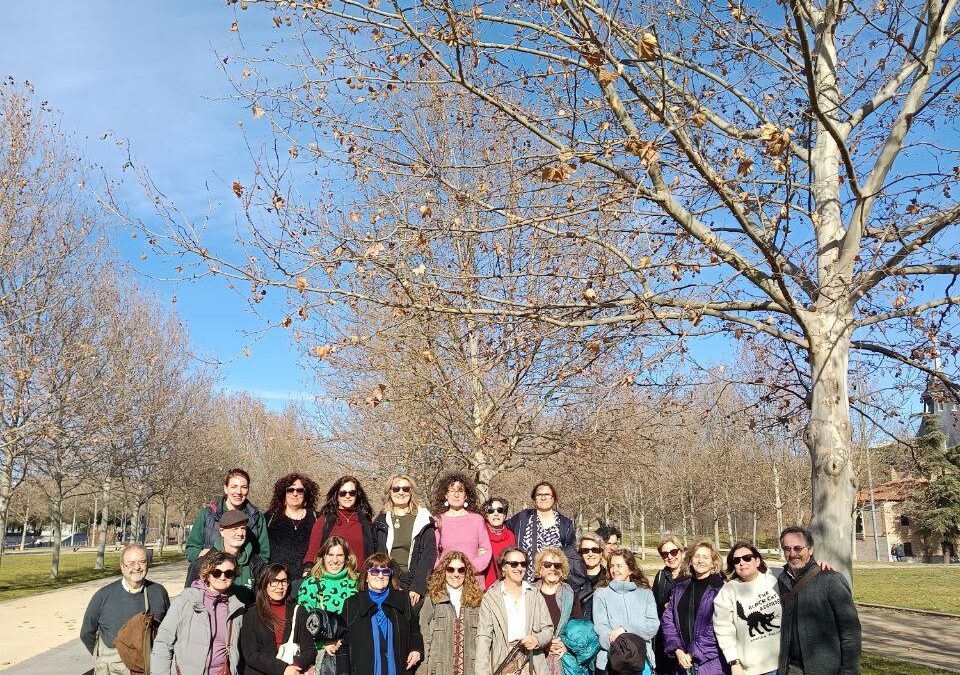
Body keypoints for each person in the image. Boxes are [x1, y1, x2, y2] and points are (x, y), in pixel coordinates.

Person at [776, 526, 861, 675]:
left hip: (825, 669)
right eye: (787, 549)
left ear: (810, 550)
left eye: (798, 548)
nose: (792, 554)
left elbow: (851, 632)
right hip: (791, 669)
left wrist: (849, 671)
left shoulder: (831, 580)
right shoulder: (782, 581)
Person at [81, 544, 171, 675]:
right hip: (114, 669)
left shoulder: (158, 592)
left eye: (142, 562)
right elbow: (86, 633)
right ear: (122, 567)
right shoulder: (103, 596)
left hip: (149, 667)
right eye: (131, 563)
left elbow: (168, 630)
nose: (137, 567)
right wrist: (104, 659)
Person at [151, 550, 245, 675]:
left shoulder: (237, 607)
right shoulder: (186, 601)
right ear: (207, 573)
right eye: (217, 572)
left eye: (229, 573)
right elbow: (163, 642)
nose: (223, 577)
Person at [340, 552, 423, 674]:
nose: (380, 576)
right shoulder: (351, 604)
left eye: (385, 572)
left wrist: (416, 649)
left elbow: (414, 630)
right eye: (374, 571)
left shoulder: (403, 600)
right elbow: (343, 645)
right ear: (367, 577)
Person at [475, 547, 553, 675]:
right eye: (514, 564)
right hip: (503, 662)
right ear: (503, 567)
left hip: (532, 663)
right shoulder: (491, 598)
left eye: (523, 564)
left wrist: (537, 640)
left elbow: (548, 629)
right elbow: (483, 638)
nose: (519, 568)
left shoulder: (534, 594)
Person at [713, 542, 781, 675]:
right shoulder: (728, 590)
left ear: (757, 561)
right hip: (753, 669)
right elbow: (723, 628)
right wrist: (734, 662)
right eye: (737, 561)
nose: (742, 563)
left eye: (747, 558)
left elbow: (801, 569)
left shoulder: (775, 579)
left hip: (784, 663)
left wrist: (819, 564)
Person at [661, 539, 727, 675]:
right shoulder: (680, 588)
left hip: (710, 664)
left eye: (705, 557)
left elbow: (717, 627)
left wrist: (692, 654)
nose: (700, 561)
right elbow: (668, 620)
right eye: (697, 556)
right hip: (681, 662)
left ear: (713, 562)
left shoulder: (720, 589)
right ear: (690, 560)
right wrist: (677, 650)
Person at [240, 563, 318, 675]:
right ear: (265, 584)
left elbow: (310, 650)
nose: (280, 586)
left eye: (284, 581)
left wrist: (295, 666)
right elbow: (251, 655)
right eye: (274, 581)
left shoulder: (299, 611)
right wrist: (282, 668)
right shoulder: (252, 614)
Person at [297, 536, 360, 672]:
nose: (335, 560)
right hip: (322, 654)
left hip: (353, 651)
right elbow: (305, 622)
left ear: (347, 557)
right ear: (323, 557)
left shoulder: (357, 584)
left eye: (339, 555)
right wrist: (322, 643)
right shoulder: (311, 584)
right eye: (330, 555)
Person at [373, 473, 437, 607]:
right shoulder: (381, 520)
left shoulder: (423, 519)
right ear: (389, 492)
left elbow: (428, 555)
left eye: (405, 489)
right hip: (386, 578)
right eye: (396, 489)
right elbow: (375, 553)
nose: (401, 492)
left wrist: (418, 587)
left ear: (411, 492)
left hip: (412, 581)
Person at [592, 548, 658, 675]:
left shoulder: (646, 594)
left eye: (619, 566)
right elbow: (601, 627)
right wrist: (620, 648)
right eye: (611, 566)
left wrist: (625, 629)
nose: (614, 570)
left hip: (641, 661)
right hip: (610, 661)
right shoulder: (601, 594)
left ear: (631, 569)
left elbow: (653, 625)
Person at [418, 551, 483, 675]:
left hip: (471, 670)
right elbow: (424, 637)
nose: (456, 574)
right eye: (451, 569)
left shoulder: (477, 601)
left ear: (466, 572)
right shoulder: (432, 599)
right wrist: (423, 670)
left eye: (461, 570)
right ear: (444, 571)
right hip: (439, 670)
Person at [185, 468, 270, 563]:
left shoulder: (257, 517)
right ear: (226, 488)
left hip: (246, 575)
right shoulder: (208, 514)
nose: (239, 491)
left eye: (244, 487)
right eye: (234, 486)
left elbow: (264, 554)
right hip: (215, 574)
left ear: (248, 490)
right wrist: (200, 555)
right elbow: (191, 548)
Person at [185, 509, 266, 605]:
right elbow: (188, 602)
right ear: (222, 531)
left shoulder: (257, 564)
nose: (240, 533)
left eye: (243, 528)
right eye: (234, 529)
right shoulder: (201, 564)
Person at [506, 481, 576, 582]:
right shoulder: (522, 518)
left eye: (547, 494)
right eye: (539, 495)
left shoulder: (565, 525)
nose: (543, 498)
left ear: (554, 498)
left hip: (554, 582)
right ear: (534, 498)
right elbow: (502, 530)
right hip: (525, 582)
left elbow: (571, 555)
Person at [303, 476, 376, 571]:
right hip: (331, 578)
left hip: (359, 579)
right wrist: (308, 569)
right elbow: (312, 552)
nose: (347, 496)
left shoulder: (366, 522)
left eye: (352, 493)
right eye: (343, 493)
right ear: (336, 496)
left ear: (357, 495)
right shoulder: (324, 521)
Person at [431, 471, 492, 584]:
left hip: (473, 582)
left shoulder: (477, 520)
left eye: (460, 491)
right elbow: (432, 553)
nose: (456, 494)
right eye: (452, 491)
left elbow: (486, 551)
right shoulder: (438, 521)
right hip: (446, 581)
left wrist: (469, 569)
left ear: (466, 495)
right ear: (446, 495)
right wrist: (446, 570)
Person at [533, 546, 584, 671]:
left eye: (557, 565)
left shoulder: (570, 595)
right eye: (547, 564)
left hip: (562, 655)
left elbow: (577, 628)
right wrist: (543, 643)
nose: (552, 568)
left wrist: (566, 645)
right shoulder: (529, 592)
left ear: (562, 570)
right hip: (535, 655)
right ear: (540, 568)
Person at [265, 473, 320, 585]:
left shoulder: (317, 519)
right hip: (275, 583)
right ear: (283, 493)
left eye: (299, 490)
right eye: (290, 490)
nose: (295, 494)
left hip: (307, 583)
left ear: (306, 494)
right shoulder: (270, 518)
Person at [651, 536, 685, 675]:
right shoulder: (661, 576)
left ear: (681, 552)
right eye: (665, 554)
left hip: (686, 638)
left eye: (674, 552)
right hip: (665, 639)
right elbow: (654, 606)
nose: (670, 557)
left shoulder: (692, 574)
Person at [481, 495, 516, 589]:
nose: (496, 514)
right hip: (484, 589)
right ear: (486, 515)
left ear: (504, 515)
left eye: (499, 510)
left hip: (506, 588)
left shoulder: (511, 536)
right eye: (491, 511)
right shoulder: (480, 534)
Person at [571, 532, 609, 621]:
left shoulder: (609, 579)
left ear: (601, 553)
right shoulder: (571, 579)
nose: (590, 554)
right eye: (585, 550)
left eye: (595, 550)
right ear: (580, 554)